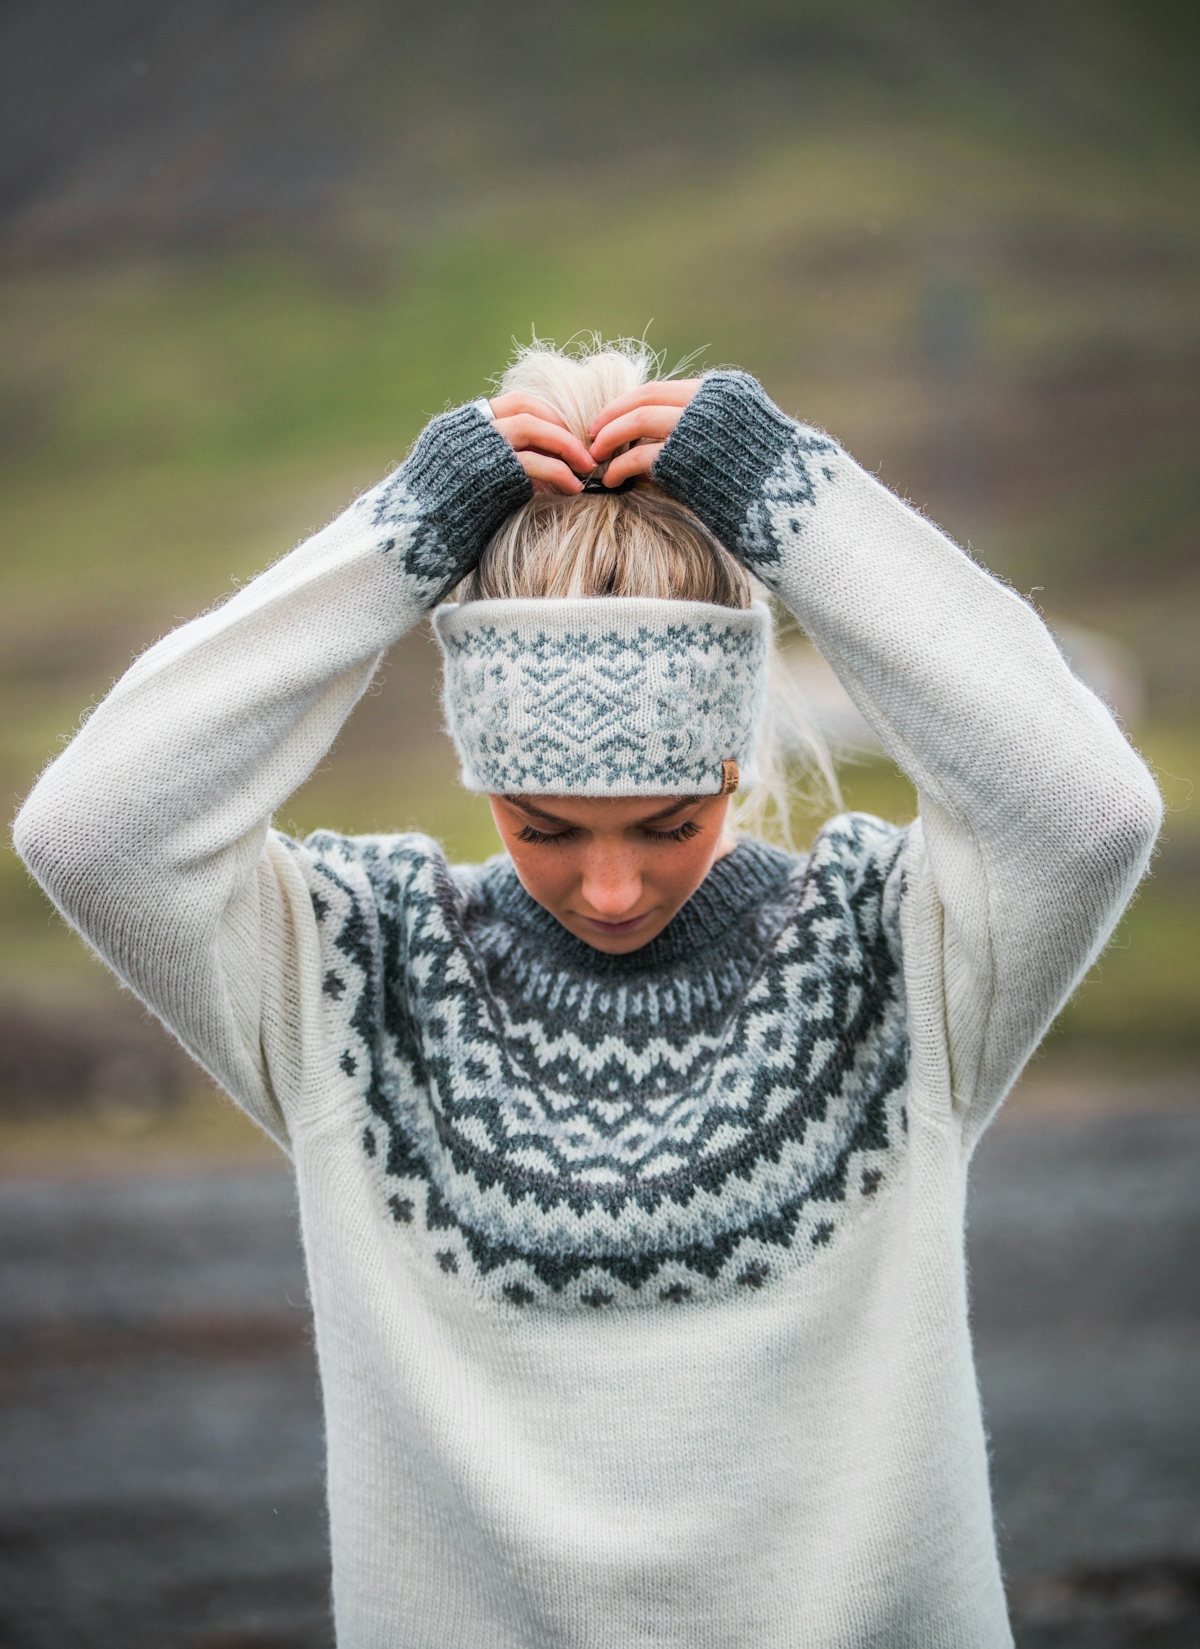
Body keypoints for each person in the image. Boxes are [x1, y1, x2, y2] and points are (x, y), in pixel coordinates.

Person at [14, 337, 1160, 1647]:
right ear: (480, 785)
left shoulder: (896, 960)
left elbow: (1089, 807)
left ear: (736, 771)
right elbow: (91, 830)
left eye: (665, 822)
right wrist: (405, 537)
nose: (611, 889)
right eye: (546, 828)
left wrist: (794, 502)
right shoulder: (352, 980)